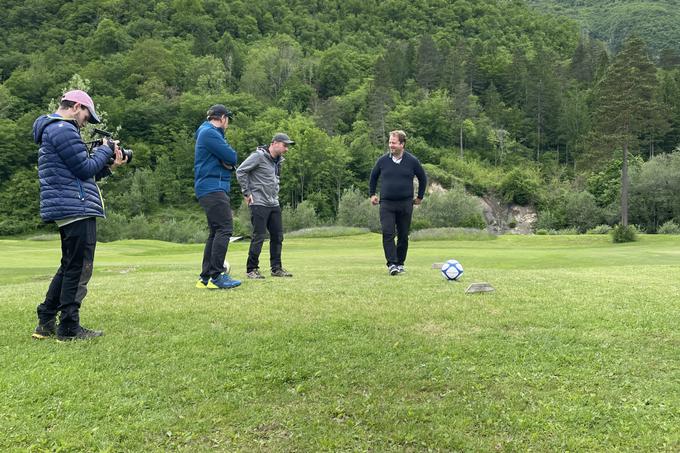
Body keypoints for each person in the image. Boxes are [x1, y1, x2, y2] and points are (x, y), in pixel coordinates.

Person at [32, 89, 128, 341]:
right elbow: (85, 168)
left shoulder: (52, 129)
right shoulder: (63, 129)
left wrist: (109, 164)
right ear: (76, 107)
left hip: (69, 205)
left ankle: (45, 320)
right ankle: (69, 327)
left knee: (69, 266)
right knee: (79, 268)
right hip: (76, 207)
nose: (87, 121)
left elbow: (80, 173)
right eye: (87, 115)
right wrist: (105, 150)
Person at [194, 104, 242, 290]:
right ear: (222, 118)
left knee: (215, 231)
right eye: (227, 119)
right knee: (225, 228)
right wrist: (228, 161)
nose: (227, 123)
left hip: (209, 187)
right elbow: (232, 156)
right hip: (213, 187)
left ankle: (205, 278)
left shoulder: (206, 132)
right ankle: (217, 275)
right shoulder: (210, 133)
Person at [236, 133, 295, 279]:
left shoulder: (278, 161)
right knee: (259, 236)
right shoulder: (258, 156)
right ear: (274, 143)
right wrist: (246, 192)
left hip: (273, 202)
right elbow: (241, 171)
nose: (286, 149)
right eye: (284, 145)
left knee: (277, 236)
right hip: (258, 202)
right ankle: (251, 269)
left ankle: (276, 269)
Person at [369, 130, 427, 276]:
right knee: (388, 233)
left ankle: (400, 263)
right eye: (390, 142)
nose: (391, 145)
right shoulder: (382, 161)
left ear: (402, 144)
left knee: (403, 235)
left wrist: (419, 196)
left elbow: (422, 178)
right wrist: (372, 194)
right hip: (387, 203)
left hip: (406, 203)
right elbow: (373, 177)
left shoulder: (412, 161)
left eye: (393, 143)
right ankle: (392, 264)